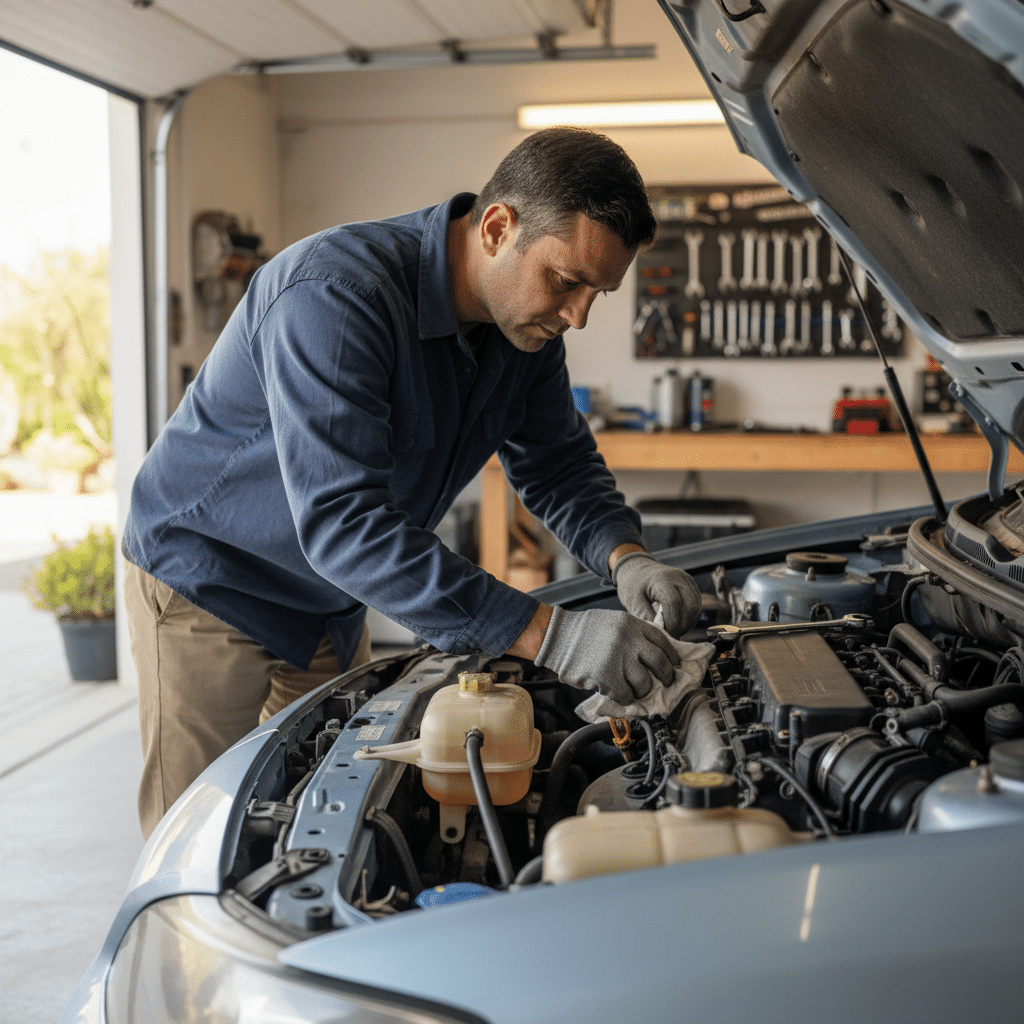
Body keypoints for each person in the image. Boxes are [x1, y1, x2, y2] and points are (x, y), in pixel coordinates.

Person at [123, 126, 703, 837]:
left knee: (325, 827)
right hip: (212, 583)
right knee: (196, 836)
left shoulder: (523, 328)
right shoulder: (335, 294)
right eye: (566, 280)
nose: (577, 315)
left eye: (598, 294)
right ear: (497, 227)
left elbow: (556, 463)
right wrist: (550, 636)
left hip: (331, 602)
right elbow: (345, 526)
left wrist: (624, 555)